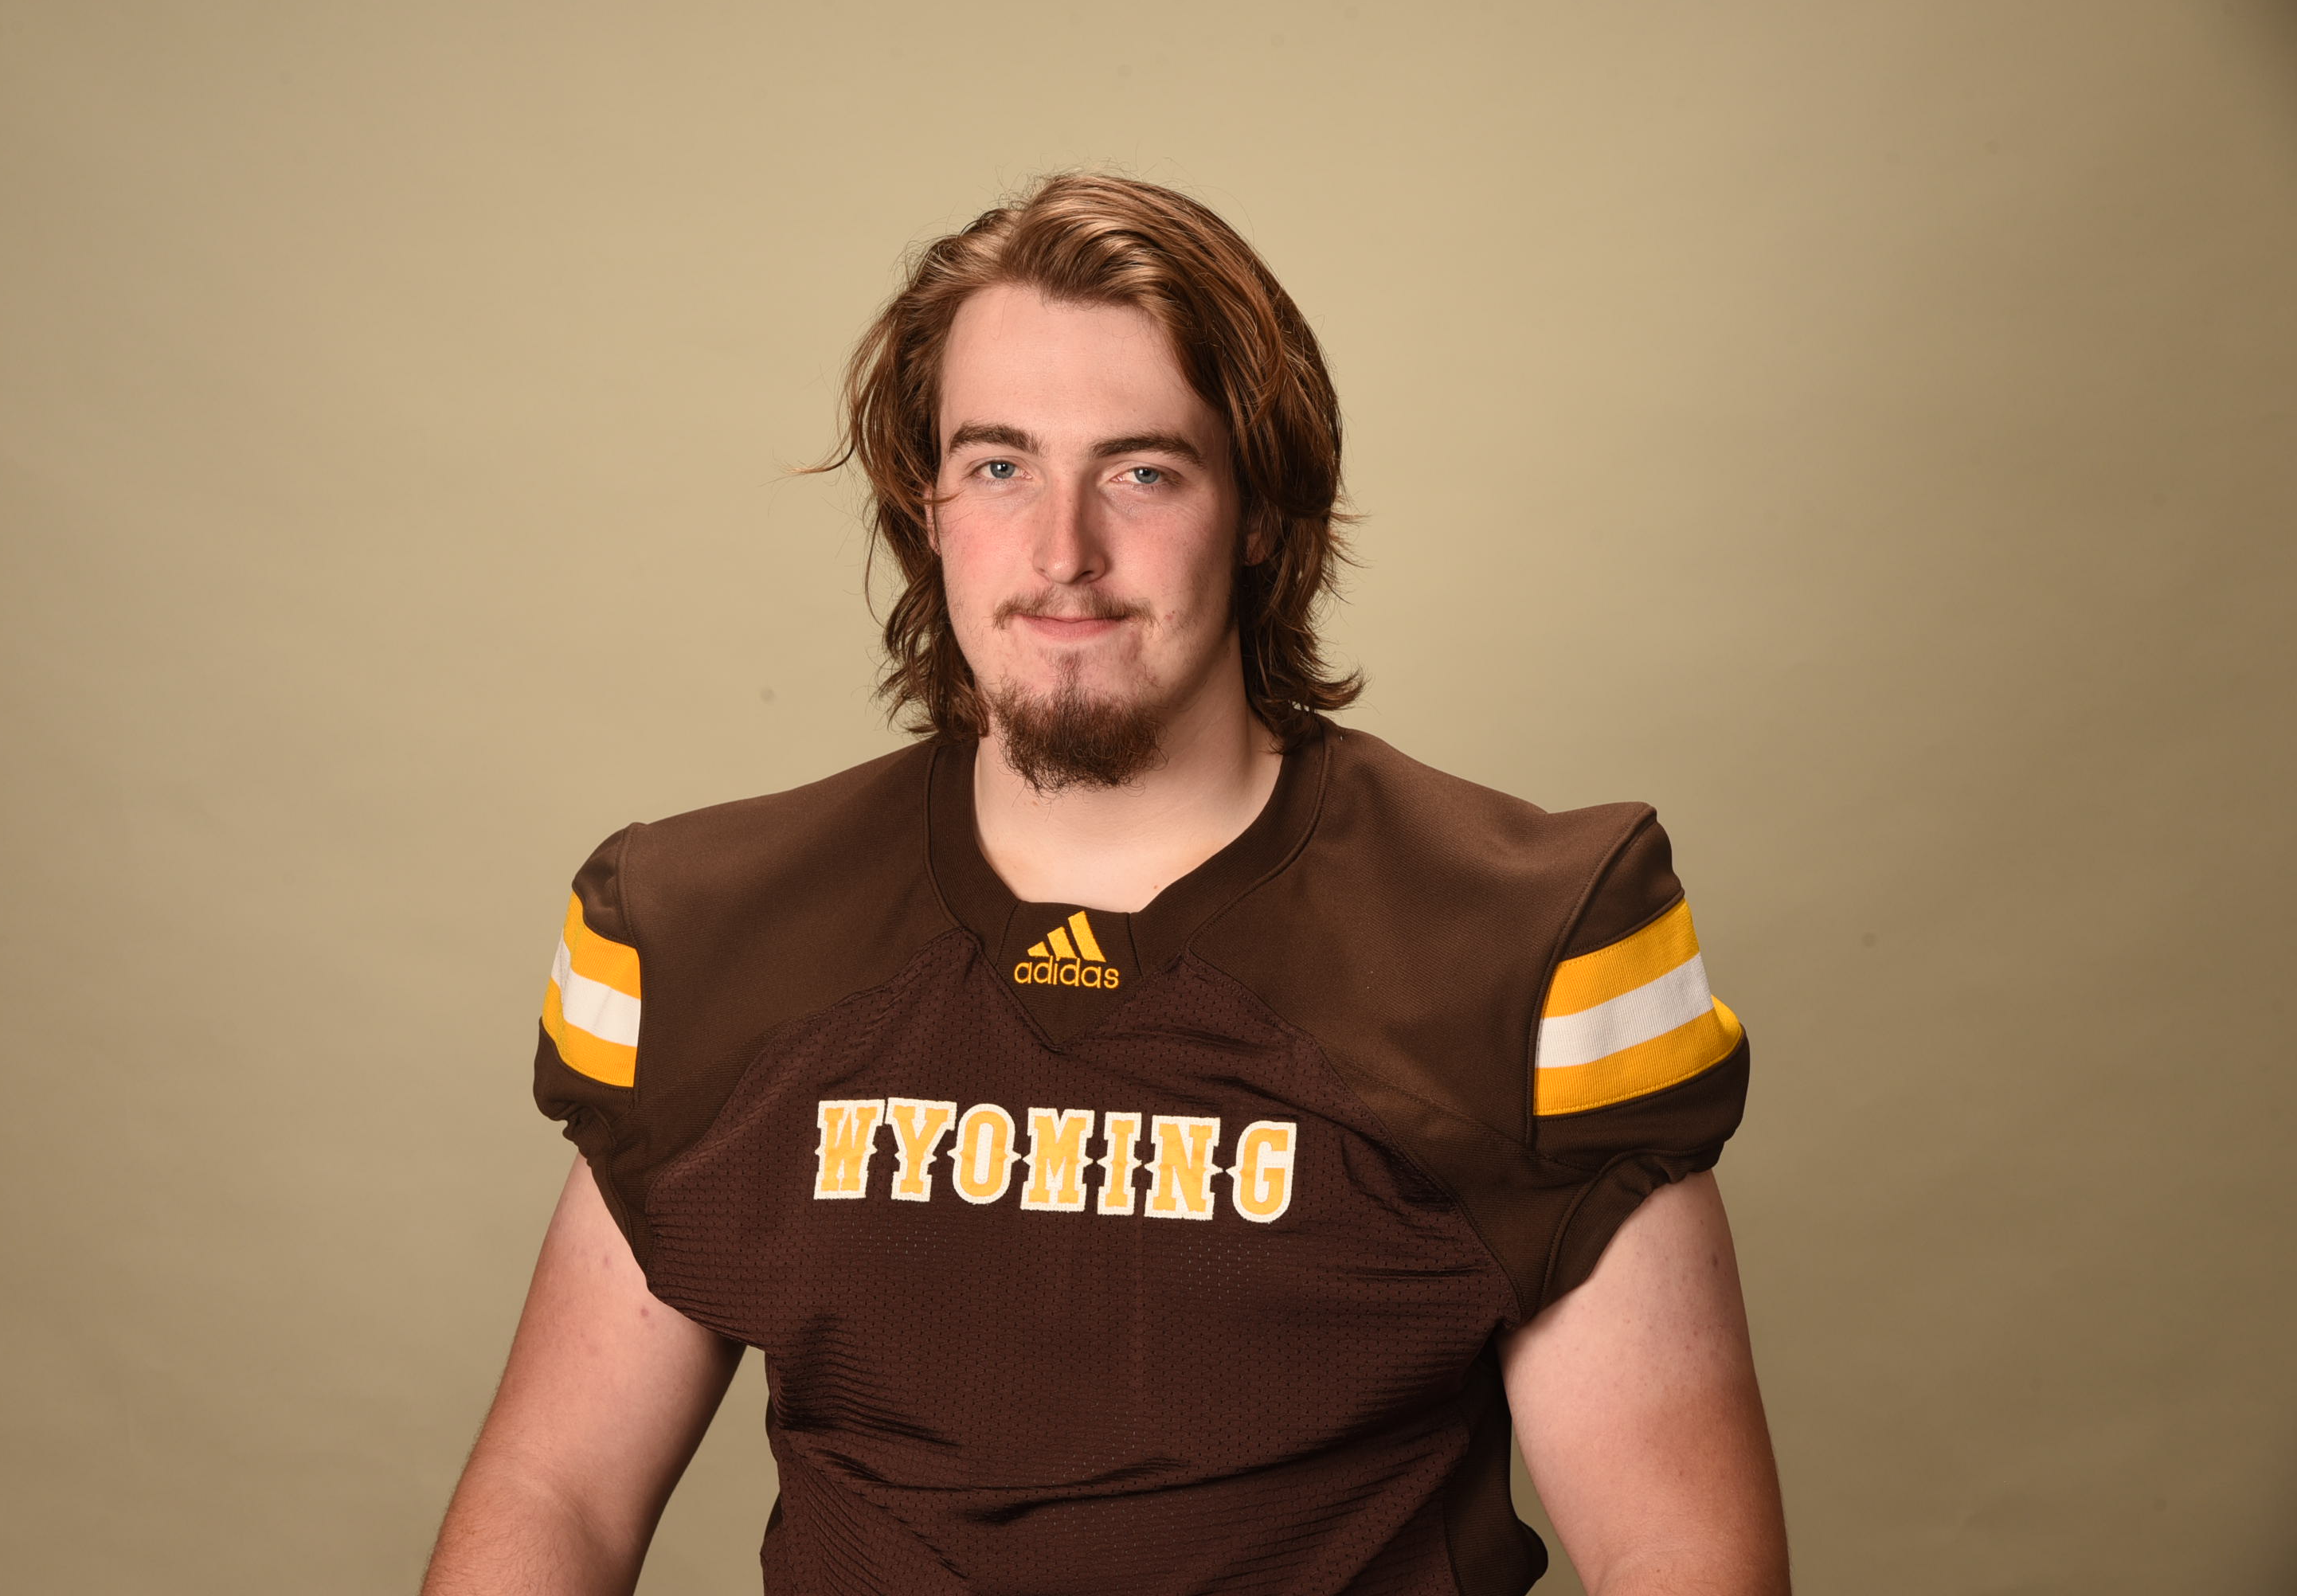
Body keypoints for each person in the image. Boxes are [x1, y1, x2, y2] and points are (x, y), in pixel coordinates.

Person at [423, 172, 1789, 1596]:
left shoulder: (1519, 945)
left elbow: (1677, 1550)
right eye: (998, 467)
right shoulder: (709, 934)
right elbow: (559, 1494)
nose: (1063, 553)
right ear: (926, 504)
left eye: (1142, 471)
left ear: (1259, 512)